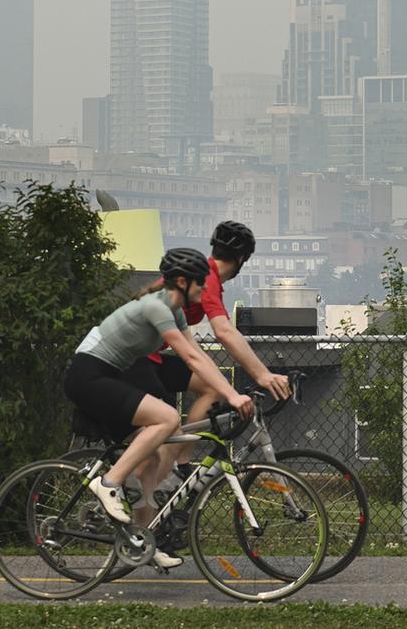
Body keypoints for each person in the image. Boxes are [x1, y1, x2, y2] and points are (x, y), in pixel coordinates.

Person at [64, 247, 253, 570]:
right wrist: (233, 396)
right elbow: (192, 359)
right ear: (182, 281)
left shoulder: (176, 312)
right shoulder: (156, 307)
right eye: (199, 283)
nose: (204, 289)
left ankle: (140, 540)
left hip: (110, 375)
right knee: (167, 418)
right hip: (88, 374)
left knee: (151, 457)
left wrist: (229, 391)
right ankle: (109, 483)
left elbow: (199, 358)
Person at [121, 221, 290, 471]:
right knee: (166, 426)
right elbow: (223, 331)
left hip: (150, 357)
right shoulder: (206, 278)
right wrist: (263, 374)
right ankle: (156, 478)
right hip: (134, 360)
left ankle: (182, 465)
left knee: (212, 388)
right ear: (242, 258)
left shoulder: (205, 277)